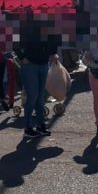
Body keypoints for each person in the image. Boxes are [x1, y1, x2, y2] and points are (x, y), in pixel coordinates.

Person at [16, 11, 60, 139]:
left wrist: (53, 52)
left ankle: (40, 125)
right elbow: (14, 39)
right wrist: (22, 57)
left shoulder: (48, 20)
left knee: (40, 96)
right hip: (30, 64)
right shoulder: (24, 21)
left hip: (43, 62)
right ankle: (28, 127)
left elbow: (53, 38)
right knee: (33, 95)